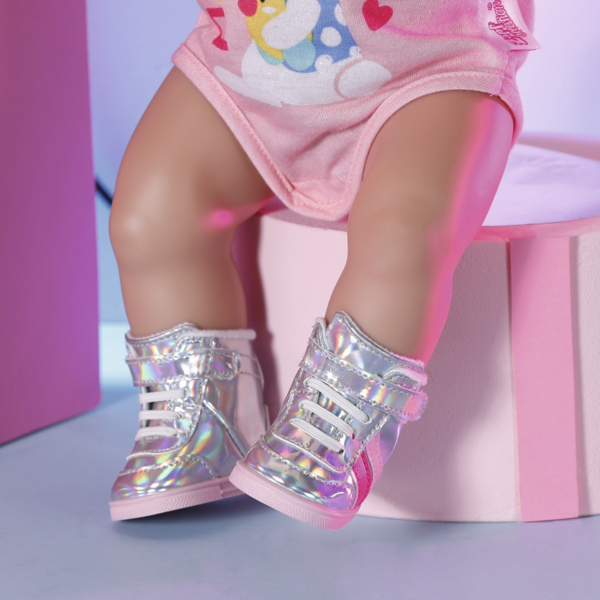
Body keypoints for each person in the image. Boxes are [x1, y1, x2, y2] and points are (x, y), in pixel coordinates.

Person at [107, 0, 538, 528]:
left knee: (403, 229)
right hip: (241, 66)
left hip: (433, 66)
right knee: (151, 217)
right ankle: (204, 418)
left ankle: (330, 428)